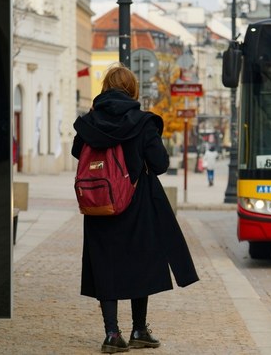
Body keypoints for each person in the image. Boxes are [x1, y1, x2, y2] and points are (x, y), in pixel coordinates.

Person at [71, 64, 199, 354]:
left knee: (105, 264)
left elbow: (78, 152)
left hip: (100, 204)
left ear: (104, 88)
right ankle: (139, 329)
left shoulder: (89, 122)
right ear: (132, 90)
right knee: (140, 262)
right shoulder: (143, 122)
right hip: (138, 203)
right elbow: (160, 164)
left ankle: (112, 334)